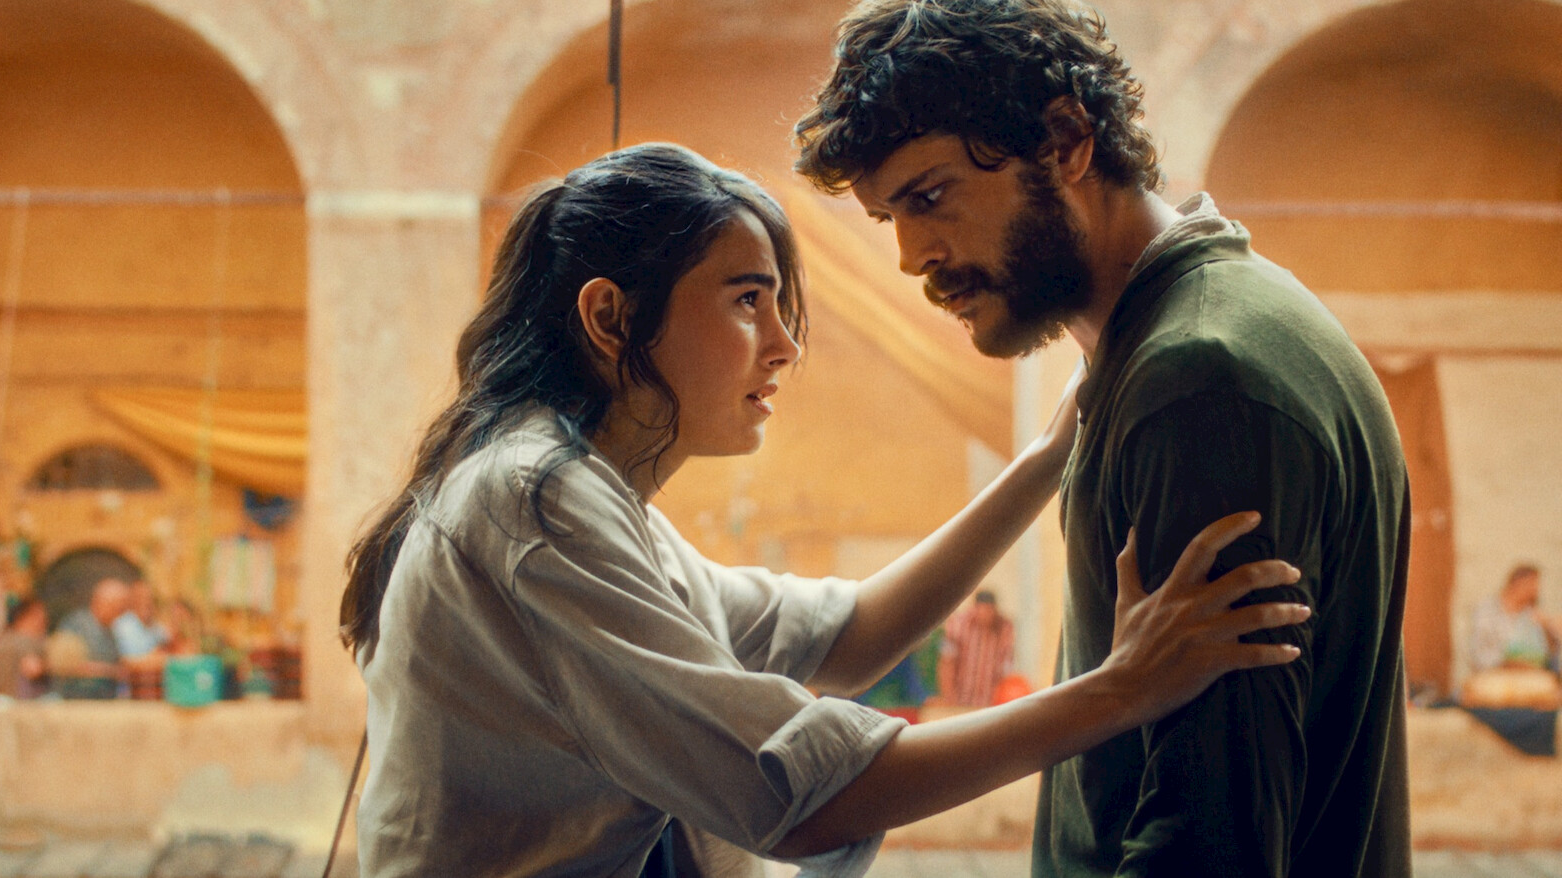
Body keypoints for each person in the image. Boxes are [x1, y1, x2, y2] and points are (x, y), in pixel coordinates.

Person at [341, 143, 1308, 876]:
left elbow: (846, 637)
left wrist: (1047, 460)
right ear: (610, 318)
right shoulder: (535, 505)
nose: (783, 346)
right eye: (746, 301)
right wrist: (1123, 690)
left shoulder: (586, 499)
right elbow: (795, 797)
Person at [794, 2, 1413, 875]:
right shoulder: (1202, 333)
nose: (911, 255)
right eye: (888, 217)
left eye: (929, 197)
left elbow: (1209, 846)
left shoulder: (1198, 383)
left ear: (1067, 143)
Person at [47, 577, 129, 700]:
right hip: (75, 701)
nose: (120, 614)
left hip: (104, 701)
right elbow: (62, 665)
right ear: (101, 602)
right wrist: (109, 671)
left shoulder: (111, 632)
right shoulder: (76, 625)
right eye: (118, 608)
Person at [1471, 564, 1559, 674]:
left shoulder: (1532, 614)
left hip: (1532, 676)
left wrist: (1547, 628)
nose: (1536, 590)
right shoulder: (1487, 611)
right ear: (1517, 583)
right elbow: (1479, 654)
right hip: (1495, 676)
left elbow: (1550, 656)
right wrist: (1509, 665)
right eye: (1532, 585)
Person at [938, 590, 1014, 708]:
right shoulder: (958, 625)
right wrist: (948, 696)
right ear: (975, 608)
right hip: (960, 699)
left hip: (989, 703)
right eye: (982, 609)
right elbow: (947, 662)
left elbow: (1006, 666)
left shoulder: (1004, 628)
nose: (985, 615)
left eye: (989, 610)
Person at [0, 597, 49, 699]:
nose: (43, 622)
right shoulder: (22, 642)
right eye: (39, 617)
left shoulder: (3, 640)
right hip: (15, 701)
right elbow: (33, 668)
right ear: (24, 617)